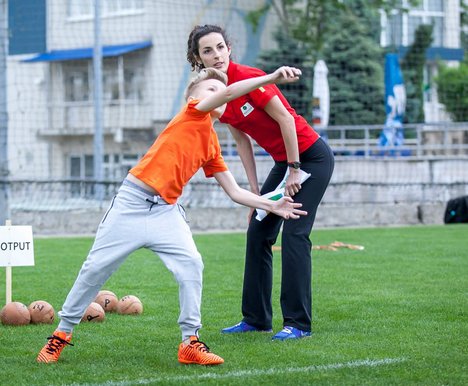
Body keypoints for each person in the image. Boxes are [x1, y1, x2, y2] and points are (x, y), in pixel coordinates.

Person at [37, 65, 307, 365]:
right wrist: (271, 78)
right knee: (94, 269)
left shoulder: (212, 144)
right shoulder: (192, 113)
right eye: (211, 89)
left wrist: (271, 205)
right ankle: (61, 334)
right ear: (193, 99)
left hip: (166, 212)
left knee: (192, 264)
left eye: (221, 91)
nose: (220, 94)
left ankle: (190, 341)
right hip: (131, 205)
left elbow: (235, 191)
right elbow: (231, 91)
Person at [186, 24, 335, 341]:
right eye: (207, 51)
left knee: (295, 234)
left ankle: (298, 324)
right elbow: (242, 142)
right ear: (198, 59)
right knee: (258, 232)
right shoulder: (217, 94)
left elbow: (286, 119)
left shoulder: (248, 77)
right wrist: (256, 195)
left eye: (220, 47)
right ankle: (256, 319)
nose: (216, 55)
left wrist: (294, 169)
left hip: (310, 158)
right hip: (285, 163)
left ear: (229, 48)